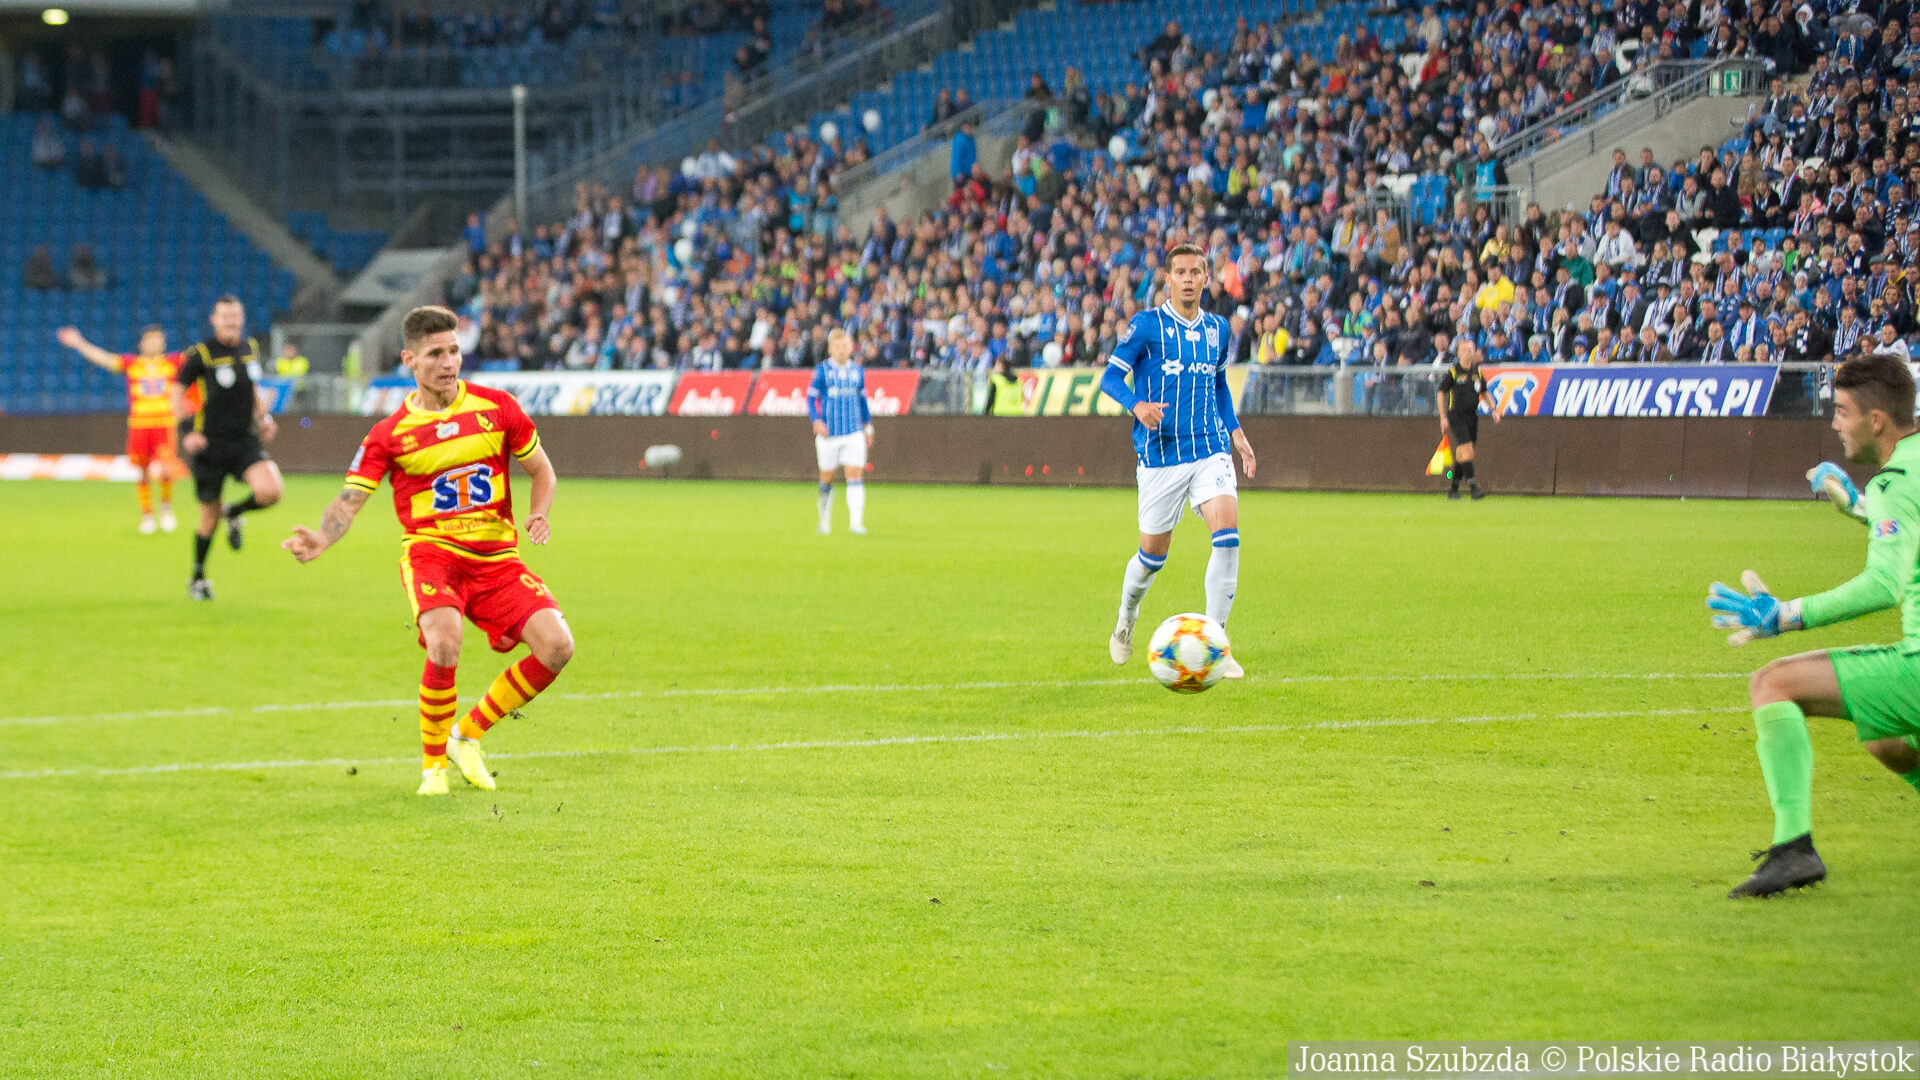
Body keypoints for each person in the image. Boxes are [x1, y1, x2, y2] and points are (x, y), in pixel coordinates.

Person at [282, 305, 574, 797]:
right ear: (409, 360)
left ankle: (467, 735)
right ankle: (433, 767)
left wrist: (539, 512)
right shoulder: (388, 434)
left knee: (558, 647)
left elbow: (542, 471)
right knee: (444, 640)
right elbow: (350, 500)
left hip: (496, 559)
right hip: (433, 555)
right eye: (435, 353)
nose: (448, 362)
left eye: (454, 351)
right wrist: (322, 537)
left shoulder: (497, 407)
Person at [1705, 355, 1920, 898]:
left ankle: (1793, 848)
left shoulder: (1896, 482)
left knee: (1772, 683)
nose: (1835, 424)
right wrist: (1858, 506)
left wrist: (1787, 615)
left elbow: (1884, 585)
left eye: (1843, 411)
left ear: (1876, 420)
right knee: (1885, 738)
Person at [1100, 242, 1256, 677]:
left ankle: (1216, 645)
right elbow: (1110, 378)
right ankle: (1126, 617)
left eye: (1195, 272)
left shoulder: (1218, 329)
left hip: (1209, 448)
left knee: (1228, 537)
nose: (1188, 279)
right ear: (1167, 279)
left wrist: (1235, 432)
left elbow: (1219, 385)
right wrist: (1137, 405)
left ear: (1206, 278)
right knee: (1152, 557)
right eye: (1180, 272)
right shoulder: (1147, 326)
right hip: (1161, 455)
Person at [169, 296, 282, 600]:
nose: (231, 321)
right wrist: (187, 432)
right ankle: (198, 577)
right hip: (210, 445)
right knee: (208, 517)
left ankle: (234, 513)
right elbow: (177, 393)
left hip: (244, 440)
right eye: (225, 316)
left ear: (241, 319)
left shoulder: (250, 349)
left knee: (271, 491)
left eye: (235, 316)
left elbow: (252, 389)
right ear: (214, 320)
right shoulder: (201, 354)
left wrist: (264, 418)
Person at [56, 323, 188, 534]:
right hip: (139, 425)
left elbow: (200, 358)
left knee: (165, 469)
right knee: (142, 471)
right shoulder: (132, 364)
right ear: (142, 343)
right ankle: (147, 515)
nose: (156, 343)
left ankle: (165, 508)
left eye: (159, 339)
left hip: (163, 424)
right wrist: (79, 343)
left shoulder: (173, 362)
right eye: (151, 339)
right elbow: (103, 358)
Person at [809, 328, 873, 535]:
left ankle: (856, 523)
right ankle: (824, 520)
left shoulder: (857, 371)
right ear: (830, 349)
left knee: (855, 475)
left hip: (854, 432)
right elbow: (811, 398)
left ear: (851, 347)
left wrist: (868, 426)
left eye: (845, 346)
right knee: (827, 477)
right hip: (829, 434)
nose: (841, 350)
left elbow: (862, 401)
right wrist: (816, 420)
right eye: (837, 346)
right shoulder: (822, 371)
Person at [1435, 339, 1501, 499]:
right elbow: (1441, 392)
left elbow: (1484, 391)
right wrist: (1443, 417)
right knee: (1468, 450)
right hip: (1456, 415)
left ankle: (1453, 489)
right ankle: (1473, 488)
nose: (1468, 353)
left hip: (1472, 416)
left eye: (1470, 350)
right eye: (1464, 350)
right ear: (1458, 353)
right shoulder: (1453, 372)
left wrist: (1493, 409)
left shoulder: (1477, 372)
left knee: (1462, 454)